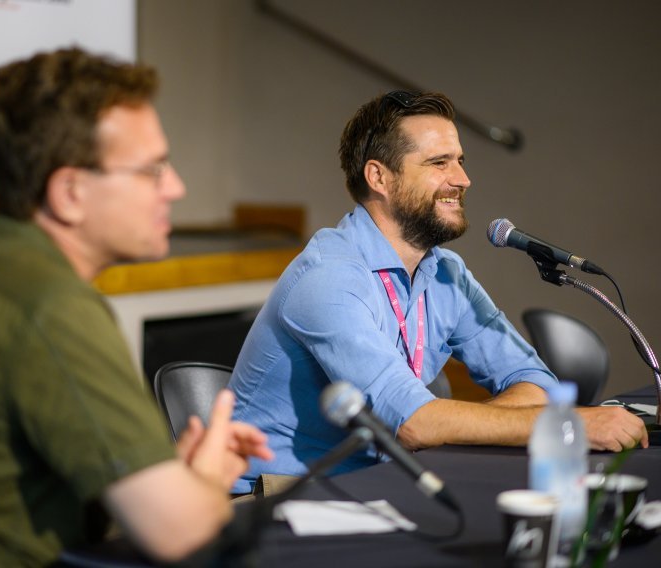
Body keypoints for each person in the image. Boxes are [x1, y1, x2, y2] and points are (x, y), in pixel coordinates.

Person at [0, 48, 272, 566]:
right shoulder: (49, 307)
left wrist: (165, 475)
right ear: (70, 192)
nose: (175, 187)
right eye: (152, 170)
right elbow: (181, 533)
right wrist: (210, 480)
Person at [227, 90, 647, 493]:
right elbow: (415, 424)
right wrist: (565, 424)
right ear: (379, 177)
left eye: (460, 160)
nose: (463, 179)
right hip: (283, 497)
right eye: (439, 162)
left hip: (385, 483)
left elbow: (535, 382)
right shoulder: (329, 279)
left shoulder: (447, 274)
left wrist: (449, 422)